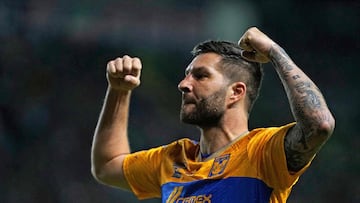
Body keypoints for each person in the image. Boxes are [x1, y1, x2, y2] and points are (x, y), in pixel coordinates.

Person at [91, 27, 335, 202]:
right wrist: (119, 91)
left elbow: (319, 125)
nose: (183, 84)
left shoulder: (262, 152)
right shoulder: (173, 159)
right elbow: (106, 167)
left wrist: (274, 51)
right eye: (187, 74)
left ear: (236, 93)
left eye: (200, 76)